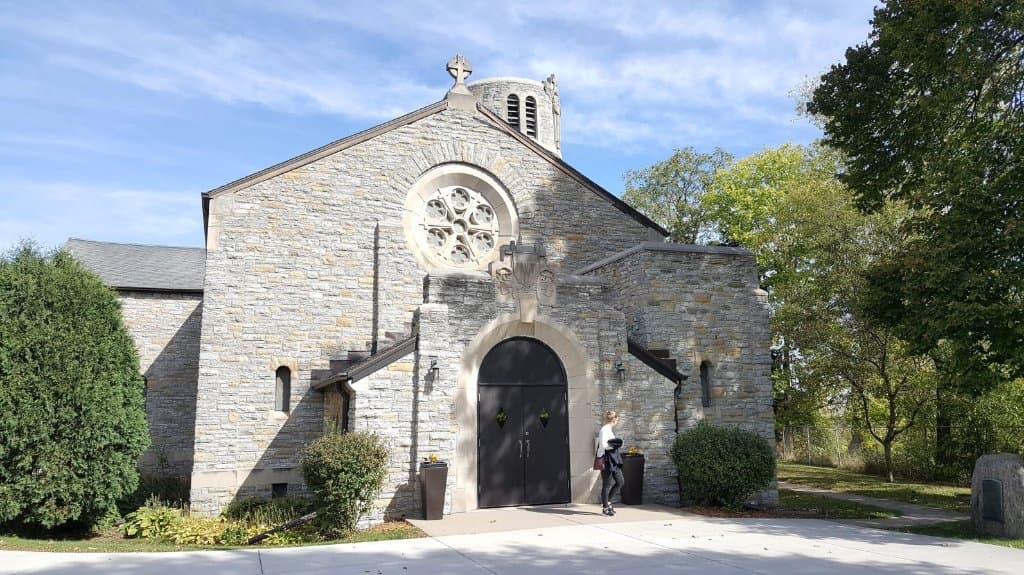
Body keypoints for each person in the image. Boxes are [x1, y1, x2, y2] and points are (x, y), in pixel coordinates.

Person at [596, 410, 624, 516]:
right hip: (606, 459)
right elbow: (603, 445)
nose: (618, 421)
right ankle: (605, 508)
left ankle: (608, 502)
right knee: (607, 485)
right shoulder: (604, 429)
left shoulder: (609, 430)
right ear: (614, 419)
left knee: (620, 482)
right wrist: (615, 445)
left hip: (614, 459)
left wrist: (617, 443)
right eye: (617, 419)